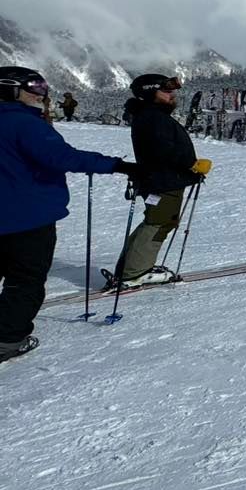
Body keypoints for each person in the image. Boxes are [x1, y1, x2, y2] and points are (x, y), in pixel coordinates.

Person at [1, 67, 135, 361]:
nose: (42, 92)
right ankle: (8, 340)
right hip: (26, 218)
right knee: (24, 280)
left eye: (43, 85)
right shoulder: (24, 124)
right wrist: (116, 165)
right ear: (9, 89)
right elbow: (62, 157)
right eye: (34, 86)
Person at [113, 74, 209, 286]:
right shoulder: (152, 117)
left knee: (158, 221)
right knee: (159, 223)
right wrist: (191, 164)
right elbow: (163, 149)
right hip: (163, 181)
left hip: (163, 179)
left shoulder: (150, 115)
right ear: (150, 92)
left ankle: (132, 268)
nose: (171, 94)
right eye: (165, 90)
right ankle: (134, 272)